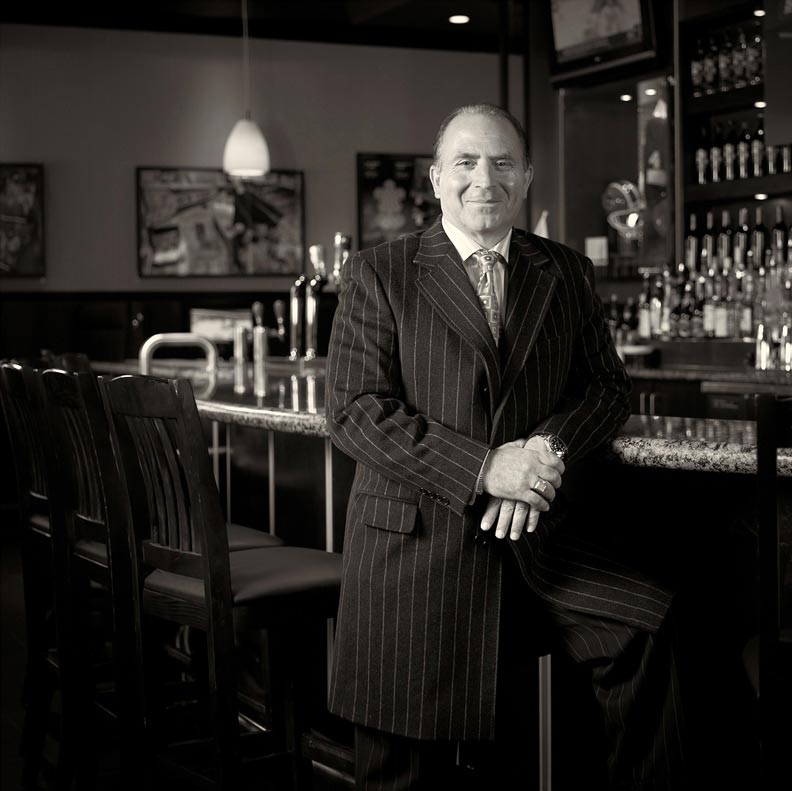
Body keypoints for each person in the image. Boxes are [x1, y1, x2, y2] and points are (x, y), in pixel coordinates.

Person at [325, 103, 686, 790]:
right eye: (465, 161)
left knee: (650, 626)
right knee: (402, 769)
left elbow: (608, 388)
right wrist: (487, 467)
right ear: (435, 178)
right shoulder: (380, 272)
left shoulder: (565, 271)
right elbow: (354, 412)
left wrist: (547, 447)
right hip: (419, 544)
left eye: (501, 162)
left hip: (534, 553)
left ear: (524, 179)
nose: (483, 178)